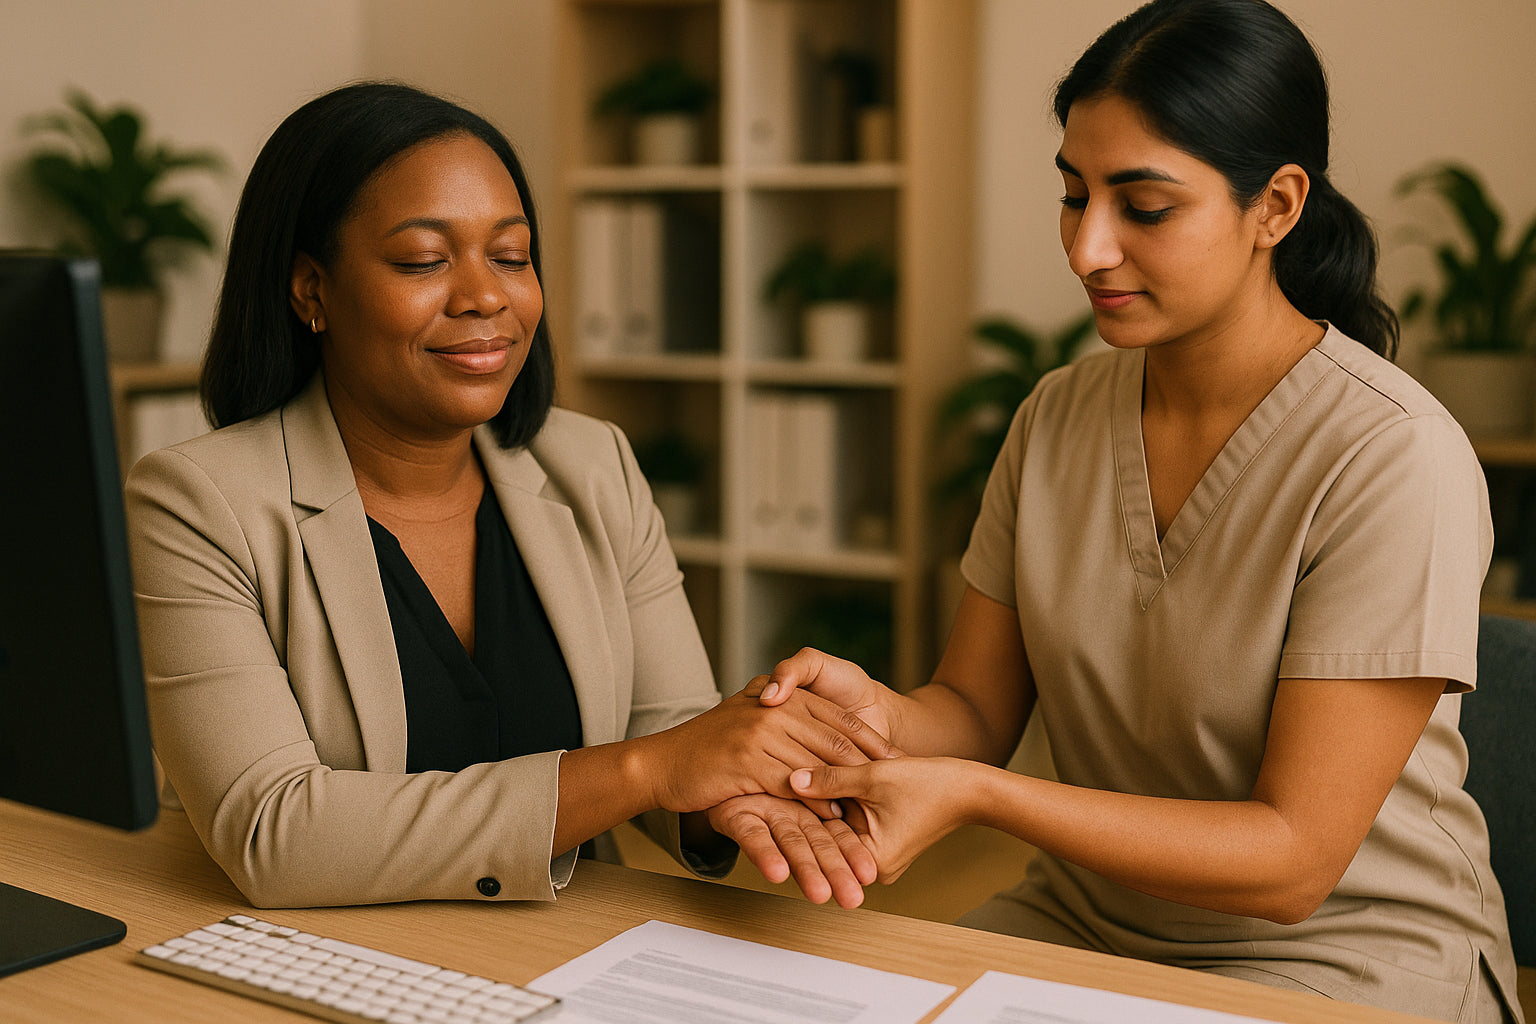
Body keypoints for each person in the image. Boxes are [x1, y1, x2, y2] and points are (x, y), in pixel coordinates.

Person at [757, 2, 1524, 1020]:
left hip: (1342, 955)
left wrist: (984, 797)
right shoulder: (1057, 418)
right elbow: (978, 712)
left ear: (1278, 206)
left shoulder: (1392, 456)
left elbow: (1294, 862)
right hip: (1085, 922)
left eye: (1144, 207)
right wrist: (883, 721)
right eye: (1074, 197)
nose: (1089, 250)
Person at [124, 81, 886, 911]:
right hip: (323, 963)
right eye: (424, 260)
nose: (486, 297)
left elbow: (670, 725)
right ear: (311, 289)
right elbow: (274, 832)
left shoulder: (591, 463)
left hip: (555, 955)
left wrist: (746, 788)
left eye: (513, 257)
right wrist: (649, 769)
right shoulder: (199, 502)